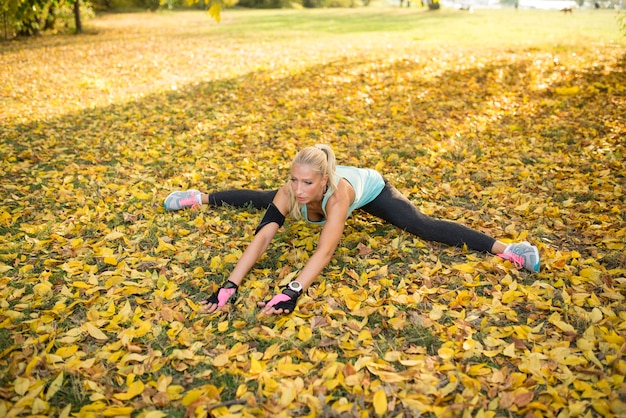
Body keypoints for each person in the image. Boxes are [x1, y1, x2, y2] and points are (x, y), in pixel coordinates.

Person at [164, 144, 540, 316]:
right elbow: (262, 236)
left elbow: (324, 251)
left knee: (418, 224)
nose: (297, 189)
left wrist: (292, 290)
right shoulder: (291, 190)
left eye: (307, 183)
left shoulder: (339, 195)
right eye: (294, 180)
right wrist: (229, 284)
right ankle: (200, 197)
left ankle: (510, 249)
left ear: (323, 180)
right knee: (264, 199)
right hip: (325, 192)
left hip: (370, 189)